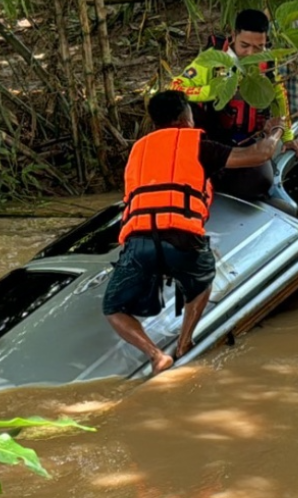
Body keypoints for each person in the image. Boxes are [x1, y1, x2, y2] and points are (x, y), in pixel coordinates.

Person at [103, 90, 286, 375]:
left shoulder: (137, 150)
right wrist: (274, 131)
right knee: (202, 281)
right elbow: (259, 154)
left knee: (113, 307)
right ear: (183, 118)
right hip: (182, 236)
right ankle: (184, 343)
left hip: (138, 240)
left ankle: (155, 355)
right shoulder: (195, 142)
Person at [169, 9, 298, 205]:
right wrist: (216, 90)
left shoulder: (267, 61)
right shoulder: (213, 58)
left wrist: (288, 137)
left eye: (259, 47)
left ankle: (224, 178)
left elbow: (279, 96)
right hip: (213, 139)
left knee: (261, 181)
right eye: (244, 45)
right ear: (233, 36)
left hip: (246, 142)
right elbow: (175, 87)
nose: (250, 53)